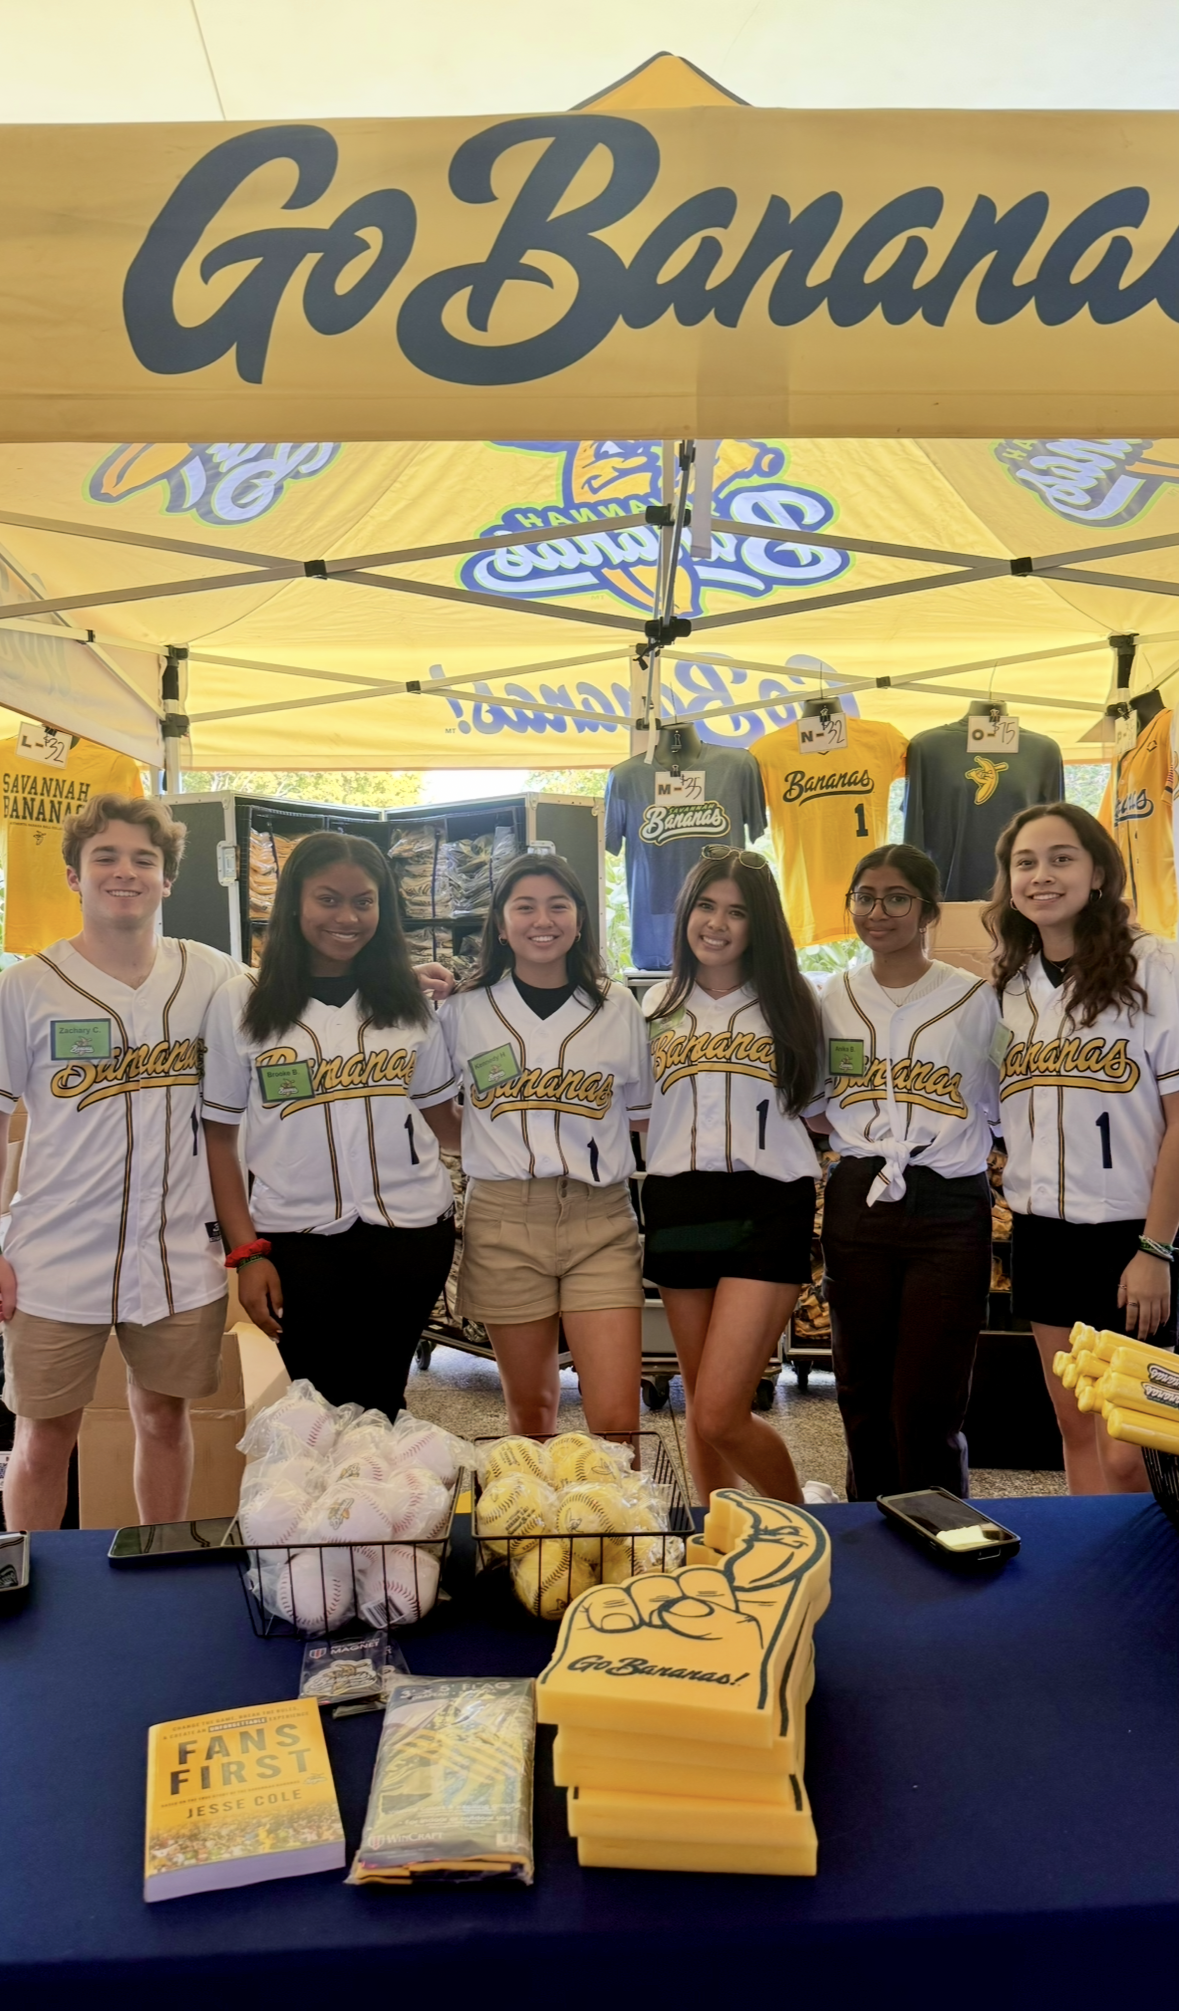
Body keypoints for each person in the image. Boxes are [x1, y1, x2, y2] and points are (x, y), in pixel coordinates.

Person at [0, 794, 237, 1531]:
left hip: (174, 1252)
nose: (125, 872)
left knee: (164, 1418)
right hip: (52, 1251)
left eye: (145, 858)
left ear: (168, 879)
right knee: (43, 1438)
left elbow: (318, 1011)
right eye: (105, 856)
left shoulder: (216, 977)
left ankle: (158, 1565)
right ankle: (26, 1592)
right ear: (73, 874)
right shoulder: (26, 987)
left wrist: (413, 992)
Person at [202, 832, 462, 1423]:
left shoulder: (410, 1001)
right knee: (315, 1411)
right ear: (294, 902)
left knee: (382, 1404)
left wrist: (532, 1115)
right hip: (295, 1242)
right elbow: (218, 1140)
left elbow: (444, 1121)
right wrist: (246, 1255)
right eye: (328, 899)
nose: (347, 917)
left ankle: (383, 1511)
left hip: (410, 1234)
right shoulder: (240, 1002)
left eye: (364, 902)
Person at [983, 802, 1179, 1494]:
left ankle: (1144, 1588)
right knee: (1073, 1425)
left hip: (1132, 1239)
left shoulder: (1155, 967)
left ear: (1097, 871)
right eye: (1024, 862)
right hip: (1043, 1235)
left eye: (1060, 857)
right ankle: (1096, 1585)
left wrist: (1156, 1249)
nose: (1041, 875)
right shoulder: (1008, 990)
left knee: (1129, 1443)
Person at [438, 850, 651, 1439]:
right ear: (501, 926)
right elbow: (437, 1110)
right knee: (530, 1414)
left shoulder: (618, 1007)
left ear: (580, 920)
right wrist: (488, 1143)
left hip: (599, 1218)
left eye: (559, 905)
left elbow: (639, 1118)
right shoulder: (463, 1009)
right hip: (504, 1217)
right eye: (524, 907)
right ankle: (544, 1531)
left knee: (615, 1421)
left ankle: (616, 1532)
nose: (543, 920)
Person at [640, 847, 828, 1507]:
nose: (716, 923)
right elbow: (636, 1113)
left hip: (768, 1201)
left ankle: (799, 1527)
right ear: (685, 912)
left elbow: (822, 1109)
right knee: (698, 1402)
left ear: (759, 925)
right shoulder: (652, 1007)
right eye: (705, 905)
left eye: (737, 911)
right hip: (677, 1201)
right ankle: (715, 1544)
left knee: (722, 1408)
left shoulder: (794, 1001)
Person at [816, 843, 1000, 1500]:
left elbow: (1005, 1100)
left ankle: (937, 1543)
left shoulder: (976, 999)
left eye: (897, 897)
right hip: (857, 1199)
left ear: (926, 909)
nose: (878, 911)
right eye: (864, 896)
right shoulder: (828, 997)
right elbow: (812, 1106)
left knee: (928, 1399)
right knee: (859, 1389)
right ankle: (868, 1533)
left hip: (949, 1205)